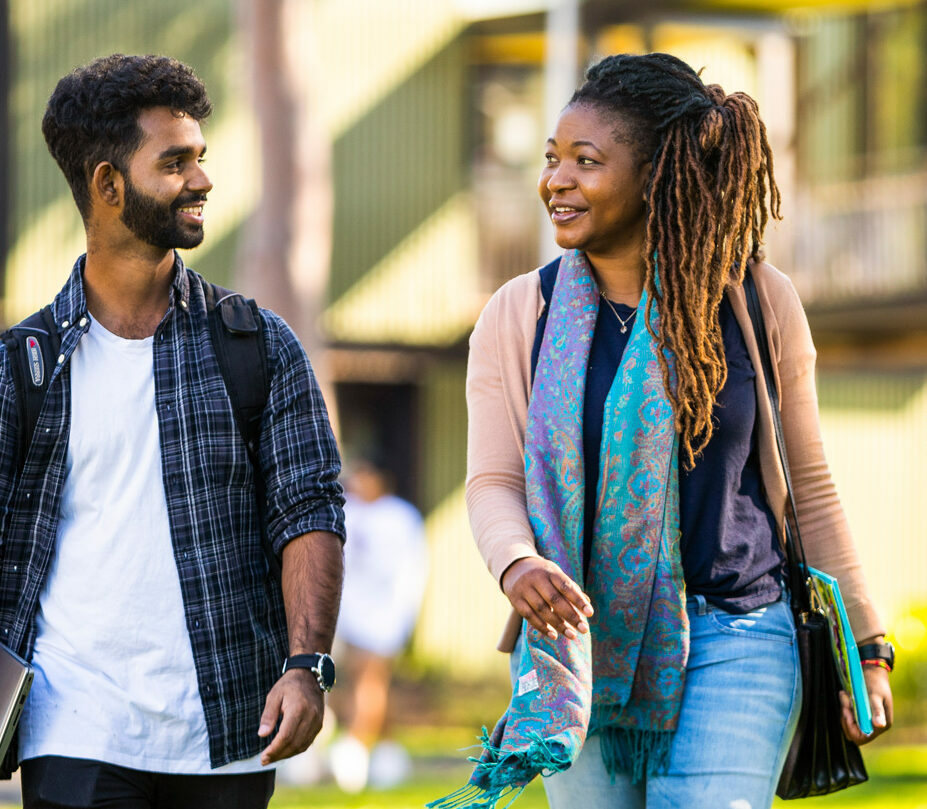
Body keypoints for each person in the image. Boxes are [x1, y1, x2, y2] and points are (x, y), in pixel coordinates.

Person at [455, 53, 894, 809]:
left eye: (585, 162)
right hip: (578, 645)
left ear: (657, 172)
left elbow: (810, 485)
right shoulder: (518, 313)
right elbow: (494, 478)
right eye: (552, 159)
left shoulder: (758, 301)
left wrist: (866, 646)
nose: (554, 181)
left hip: (741, 634)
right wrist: (515, 562)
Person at [0, 54, 345, 809]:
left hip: (233, 733)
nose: (201, 180)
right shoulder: (19, 369)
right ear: (107, 185)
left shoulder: (258, 346)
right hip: (76, 731)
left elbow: (308, 511)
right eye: (174, 163)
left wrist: (307, 665)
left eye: (199, 158)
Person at [328, 457, 427, 792]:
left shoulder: (400, 517)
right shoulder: (347, 512)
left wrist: (403, 619)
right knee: (359, 683)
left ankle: (354, 751)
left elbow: (412, 571)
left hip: (384, 615)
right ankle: (385, 751)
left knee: (370, 679)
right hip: (350, 614)